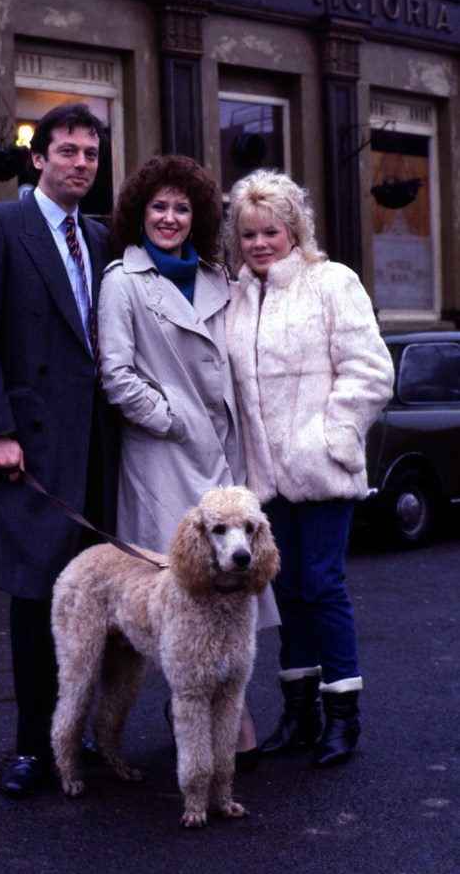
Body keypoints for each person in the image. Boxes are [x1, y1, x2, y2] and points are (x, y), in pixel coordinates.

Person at [0, 102, 120, 797]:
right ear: (38, 157)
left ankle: (82, 735)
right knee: (36, 596)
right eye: (69, 151)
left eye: (91, 154)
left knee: (95, 600)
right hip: (28, 446)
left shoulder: (103, 239)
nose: (81, 163)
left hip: (96, 447)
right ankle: (31, 747)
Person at [97, 154, 279, 771]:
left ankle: (225, 720)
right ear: (138, 214)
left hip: (223, 459)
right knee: (178, 596)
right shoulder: (124, 280)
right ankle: (185, 726)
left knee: (232, 593)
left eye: (182, 207)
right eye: (159, 207)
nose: (170, 217)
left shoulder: (216, 277)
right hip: (162, 459)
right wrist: (172, 416)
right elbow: (115, 374)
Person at [225, 169, 394, 768]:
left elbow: (371, 372)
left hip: (321, 470)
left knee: (323, 585)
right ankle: (298, 716)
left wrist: (333, 439)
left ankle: (342, 717)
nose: (261, 243)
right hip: (264, 479)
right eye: (249, 235)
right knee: (284, 589)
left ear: (295, 229)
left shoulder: (331, 283)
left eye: (272, 230)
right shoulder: (239, 295)